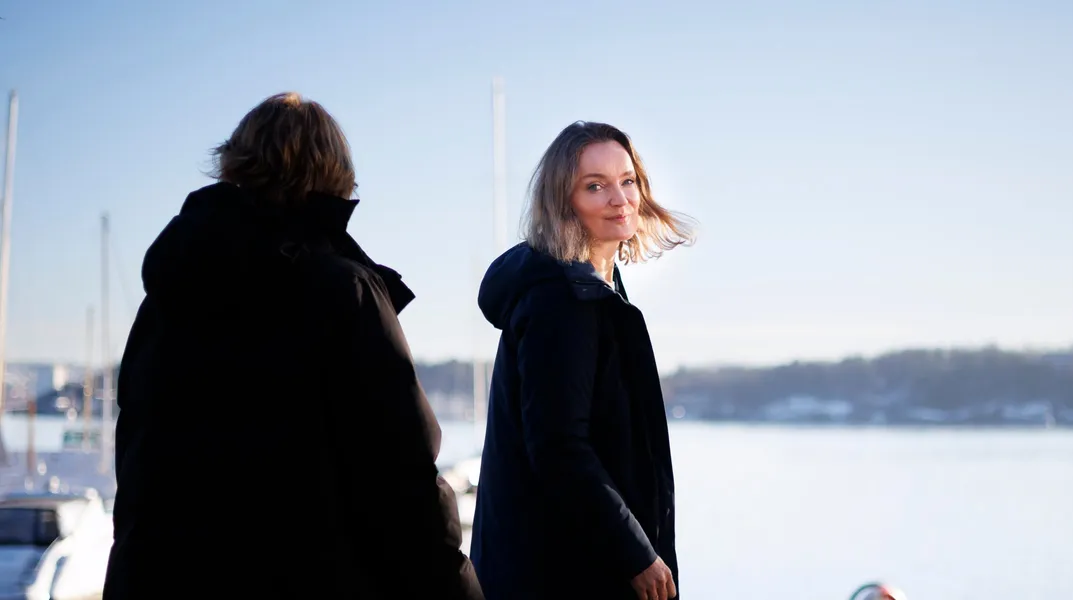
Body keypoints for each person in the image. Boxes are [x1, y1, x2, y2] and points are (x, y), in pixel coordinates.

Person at [103, 92, 482, 600]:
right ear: (336, 174)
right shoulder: (342, 292)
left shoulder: (169, 294)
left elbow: (136, 456)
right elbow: (402, 478)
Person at [470, 121, 695, 600]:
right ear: (563, 202)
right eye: (595, 186)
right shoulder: (562, 301)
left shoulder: (597, 289)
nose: (619, 199)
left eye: (627, 181)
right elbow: (558, 447)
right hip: (561, 571)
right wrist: (636, 554)